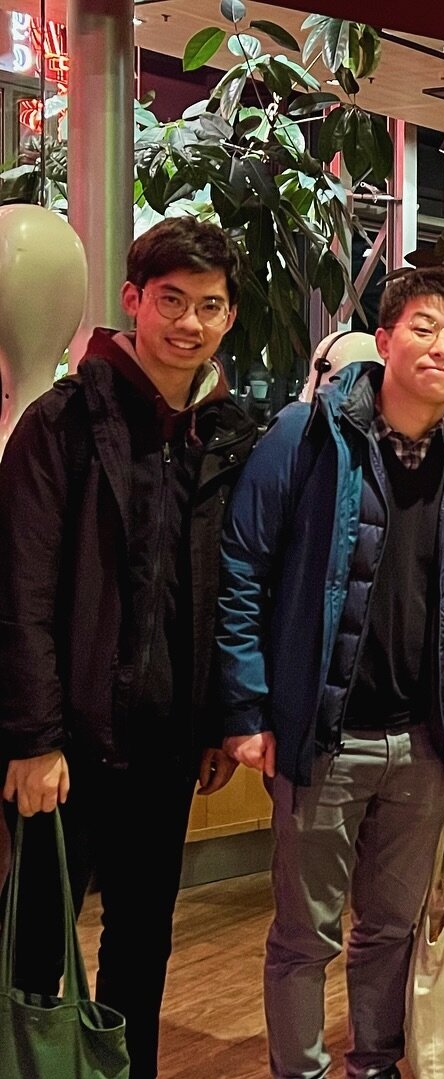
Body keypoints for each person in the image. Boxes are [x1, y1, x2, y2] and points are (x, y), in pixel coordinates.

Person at [0, 217, 257, 1079]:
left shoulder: (222, 434)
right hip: (64, 742)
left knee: (142, 940)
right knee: (38, 942)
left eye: (208, 306)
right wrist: (33, 740)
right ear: (132, 302)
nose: (188, 322)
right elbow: (21, 589)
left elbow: (227, 591)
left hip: (165, 741)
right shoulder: (63, 421)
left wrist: (222, 719)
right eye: (171, 300)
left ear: (229, 317)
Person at [215, 266, 444, 1079]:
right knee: (305, 935)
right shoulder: (306, 436)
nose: (442, 346)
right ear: (387, 335)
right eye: (426, 327)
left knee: (391, 930)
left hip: (427, 744)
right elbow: (241, 570)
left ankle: (374, 1063)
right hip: (321, 739)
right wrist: (247, 707)